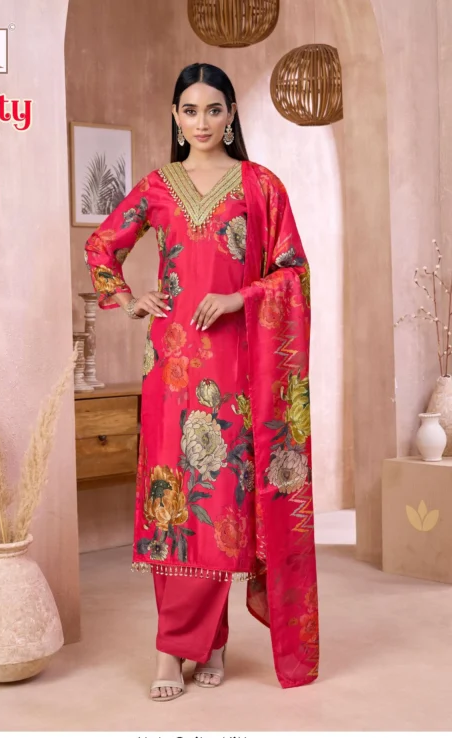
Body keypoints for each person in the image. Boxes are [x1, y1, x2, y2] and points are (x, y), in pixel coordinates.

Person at [84, 62, 319, 701]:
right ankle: (178, 648)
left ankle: (201, 643)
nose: (202, 122)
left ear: (232, 115)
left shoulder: (260, 185)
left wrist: (242, 297)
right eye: (189, 110)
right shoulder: (159, 187)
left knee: (220, 506)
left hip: (236, 369)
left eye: (214, 109)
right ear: (175, 117)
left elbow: (293, 272)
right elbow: (102, 246)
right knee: (173, 504)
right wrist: (127, 298)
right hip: (170, 365)